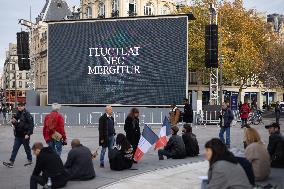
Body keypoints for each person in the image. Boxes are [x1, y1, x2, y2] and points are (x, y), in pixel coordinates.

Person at [3, 102, 34, 168]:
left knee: (27, 148)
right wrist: (13, 121)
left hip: (25, 135)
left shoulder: (27, 114)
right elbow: (17, 123)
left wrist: (28, 134)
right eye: (19, 106)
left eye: (21, 106)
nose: (19, 107)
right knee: (15, 149)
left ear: (23, 107)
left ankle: (30, 160)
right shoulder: (17, 113)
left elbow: (31, 125)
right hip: (18, 135)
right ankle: (11, 162)